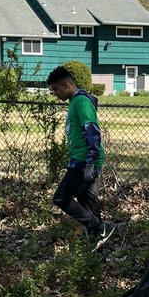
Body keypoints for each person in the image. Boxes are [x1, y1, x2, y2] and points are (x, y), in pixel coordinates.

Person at [46, 65, 114, 249]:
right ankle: (97, 246)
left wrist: (91, 162)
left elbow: (92, 130)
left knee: (61, 198)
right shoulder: (75, 102)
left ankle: (101, 228)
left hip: (84, 161)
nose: (55, 94)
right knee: (89, 205)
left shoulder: (81, 102)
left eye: (55, 89)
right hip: (82, 160)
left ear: (66, 85)